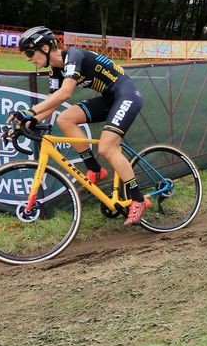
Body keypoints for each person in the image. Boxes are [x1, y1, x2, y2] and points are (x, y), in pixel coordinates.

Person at [11, 26, 151, 225]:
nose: (28, 58)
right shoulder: (56, 71)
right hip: (110, 98)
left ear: (44, 48)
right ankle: (94, 169)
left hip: (126, 95)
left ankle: (138, 199)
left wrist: (30, 112)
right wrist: (30, 120)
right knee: (65, 119)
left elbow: (66, 92)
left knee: (106, 147)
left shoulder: (73, 55)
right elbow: (53, 101)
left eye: (29, 52)